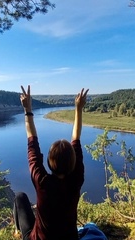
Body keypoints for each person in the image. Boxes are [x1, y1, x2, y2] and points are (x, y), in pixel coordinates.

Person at [13, 85, 89, 240]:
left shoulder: (42, 182)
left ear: (48, 161)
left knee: (20, 197)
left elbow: (31, 141)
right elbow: (76, 138)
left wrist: (27, 109)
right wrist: (78, 109)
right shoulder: (77, 179)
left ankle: (17, 231)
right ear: (73, 162)